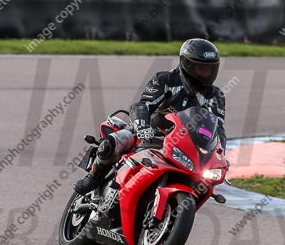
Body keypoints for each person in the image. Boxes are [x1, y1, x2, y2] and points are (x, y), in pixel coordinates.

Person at [73, 38, 227, 195]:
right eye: (201, 69)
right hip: (150, 133)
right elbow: (142, 105)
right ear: (187, 65)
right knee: (114, 141)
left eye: (209, 69)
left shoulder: (216, 96)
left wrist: (221, 155)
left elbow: (218, 128)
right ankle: (94, 177)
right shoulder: (164, 80)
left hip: (183, 144)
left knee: (202, 181)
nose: (205, 74)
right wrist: (142, 127)